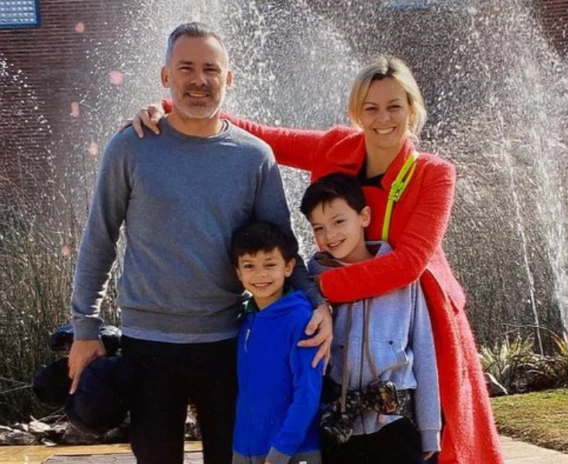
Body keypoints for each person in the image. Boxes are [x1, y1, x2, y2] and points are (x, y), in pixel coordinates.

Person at [132, 55, 503, 464]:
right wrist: (173, 111)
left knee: (434, 444)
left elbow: (409, 264)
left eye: (394, 106)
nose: (383, 119)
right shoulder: (336, 147)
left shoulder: (434, 173)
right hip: (341, 323)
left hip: (412, 314)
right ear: (356, 112)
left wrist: (314, 289)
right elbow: (264, 137)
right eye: (371, 108)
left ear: (412, 109)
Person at [68, 22, 332, 464]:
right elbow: (99, 239)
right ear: (165, 76)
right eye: (186, 67)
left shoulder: (254, 157)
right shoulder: (130, 148)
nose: (199, 79)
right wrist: (85, 328)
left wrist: (317, 303)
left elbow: (283, 247)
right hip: (148, 344)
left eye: (210, 69)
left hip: (228, 343)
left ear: (228, 78)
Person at [301, 173, 441, 464]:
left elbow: (424, 349)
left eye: (339, 221)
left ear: (364, 216)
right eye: (319, 228)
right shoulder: (313, 285)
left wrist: (430, 429)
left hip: (396, 425)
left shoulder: (401, 275)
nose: (330, 235)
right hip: (338, 429)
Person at [231, 221, 323, 464]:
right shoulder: (247, 320)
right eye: (249, 266)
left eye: (270, 264)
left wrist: (281, 451)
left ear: (289, 266)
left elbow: (307, 393)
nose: (260, 274)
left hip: (292, 452)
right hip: (246, 450)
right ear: (238, 273)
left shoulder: (301, 321)